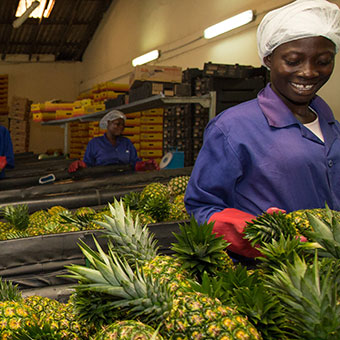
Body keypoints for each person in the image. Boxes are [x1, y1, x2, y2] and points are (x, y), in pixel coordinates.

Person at [184, 0, 340, 258]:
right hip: (272, 272)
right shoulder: (233, 127)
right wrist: (251, 233)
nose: (309, 72)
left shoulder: (332, 126)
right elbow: (202, 206)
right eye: (293, 61)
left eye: (323, 61)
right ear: (268, 58)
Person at [68, 110, 158, 172]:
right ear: (108, 123)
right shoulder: (95, 143)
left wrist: (144, 165)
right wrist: (79, 164)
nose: (121, 127)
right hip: (100, 185)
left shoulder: (126, 143)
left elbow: (134, 163)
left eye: (123, 125)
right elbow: (87, 165)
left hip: (125, 183)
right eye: (117, 124)